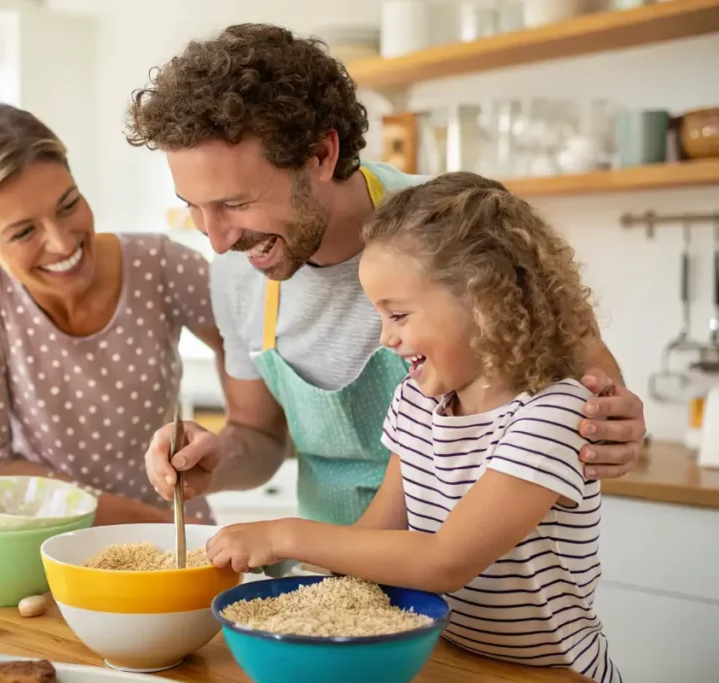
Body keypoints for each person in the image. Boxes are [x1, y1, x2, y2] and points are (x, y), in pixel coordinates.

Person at [127, 23, 646, 528]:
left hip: (485, 596)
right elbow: (257, 434)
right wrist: (215, 458)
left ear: (321, 155)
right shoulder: (235, 275)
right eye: (193, 207)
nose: (216, 240)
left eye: (236, 203)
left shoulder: (460, 222)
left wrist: (614, 425)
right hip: (336, 584)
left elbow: (591, 379)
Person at [204, 172, 620, 682]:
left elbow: (445, 561)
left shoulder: (552, 416)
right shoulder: (416, 403)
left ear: (485, 303)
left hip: (553, 673)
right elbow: (373, 538)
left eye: (398, 315)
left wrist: (286, 535)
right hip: (450, 662)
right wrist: (283, 584)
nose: (386, 338)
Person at [0, 103, 226, 525]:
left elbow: (256, 357)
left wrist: (224, 446)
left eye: (68, 205)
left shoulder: (160, 266)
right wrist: (148, 524)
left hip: (178, 541)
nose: (63, 244)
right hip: (58, 549)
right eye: (24, 232)